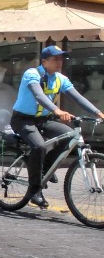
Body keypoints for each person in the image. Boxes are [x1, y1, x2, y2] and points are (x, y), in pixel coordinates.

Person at [10, 46, 104, 209]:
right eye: (55, 59)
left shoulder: (60, 79)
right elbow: (38, 95)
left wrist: (98, 113)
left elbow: (78, 98)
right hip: (23, 120)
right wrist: (57, 110)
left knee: (69, 136)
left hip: (44, 119)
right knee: (38, 145)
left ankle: (45, 169)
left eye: (61, 59)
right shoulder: (32, 74)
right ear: (44, 61)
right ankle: (35, 191)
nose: (59, 62)